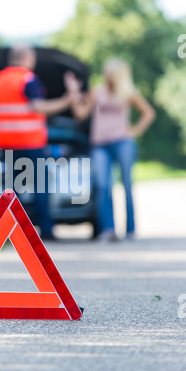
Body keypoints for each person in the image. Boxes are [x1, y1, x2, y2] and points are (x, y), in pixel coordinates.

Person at [65, 58, 156, 241]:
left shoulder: (128, 93)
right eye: (105, 72)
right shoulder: (97, 92)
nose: (106, 76)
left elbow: (149, 113)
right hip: (100, 144)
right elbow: (81, 114)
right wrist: (73, 93)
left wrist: (134, 130)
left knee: (127, 185)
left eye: (110, 73)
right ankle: (108, 229)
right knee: (103, 185)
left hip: (123, 142)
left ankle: (130, 230)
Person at [0, 45, 74, 241]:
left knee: (12, 189)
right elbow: (38, 107)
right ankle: (46, 230)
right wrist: (65, 101)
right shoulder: (28, 79)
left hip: (6, 143)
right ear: (26, 58)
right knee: (41, 186)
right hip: (30, 142)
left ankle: (10, 232)